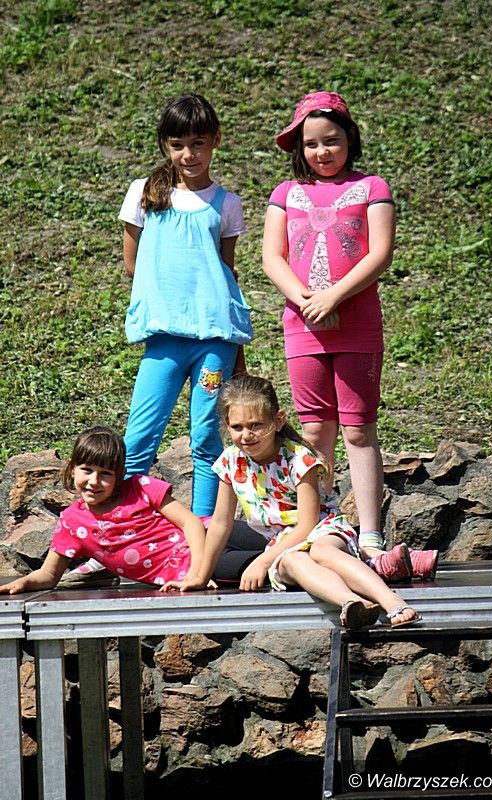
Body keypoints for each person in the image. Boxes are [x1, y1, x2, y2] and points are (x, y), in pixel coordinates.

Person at [59, 93, 254, 587]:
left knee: (207, 437)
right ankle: (113, 532)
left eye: (199, 143)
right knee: (139, 438)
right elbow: (133, 263)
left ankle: (204, 540)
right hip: (164, 335)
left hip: (215, 338)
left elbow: (226, 270)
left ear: (215, 142)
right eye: (178, 144)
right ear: (165, 145)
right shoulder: (144, 193)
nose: (189, 154)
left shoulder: (227, 203)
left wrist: (235, 347)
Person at [262, 91, 437, 582]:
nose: (322, 151)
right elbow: (272, 257)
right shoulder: (285, 193)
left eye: (331, 141)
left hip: (357, 325)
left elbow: (380, 253)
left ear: (349, 139)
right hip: (303, 325)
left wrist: (334, 296)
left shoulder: (371, 187)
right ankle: (319, 524)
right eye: (311, 144)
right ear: (300, 148)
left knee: (358, 429)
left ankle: (371, 535)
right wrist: (304, 299)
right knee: (315, 429)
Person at [174, 375, 420, 629]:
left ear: (278, 420)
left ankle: (392, 602)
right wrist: (200, 576)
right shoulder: (231, 461)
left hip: (322, 529)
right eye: (237, 427)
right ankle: (353, 603)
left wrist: (263, 561)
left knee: (321, 551)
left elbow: (307, 525)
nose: (247, 435)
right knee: (292, 561)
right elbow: (220, 524)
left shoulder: (297, 458)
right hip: (281, 543)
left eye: (256, 425)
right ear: (227, 426)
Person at [0, 427, 211, 595]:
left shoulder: (140, 487)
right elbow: (49, 574)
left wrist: (197, 574)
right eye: (87, 470)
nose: (94, 481)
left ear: (119, 475)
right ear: (72, 468)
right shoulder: (72, 522)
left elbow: (191, 523)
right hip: (196, 572)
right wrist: (25, 582)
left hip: (209, 546)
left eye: (105, 474)